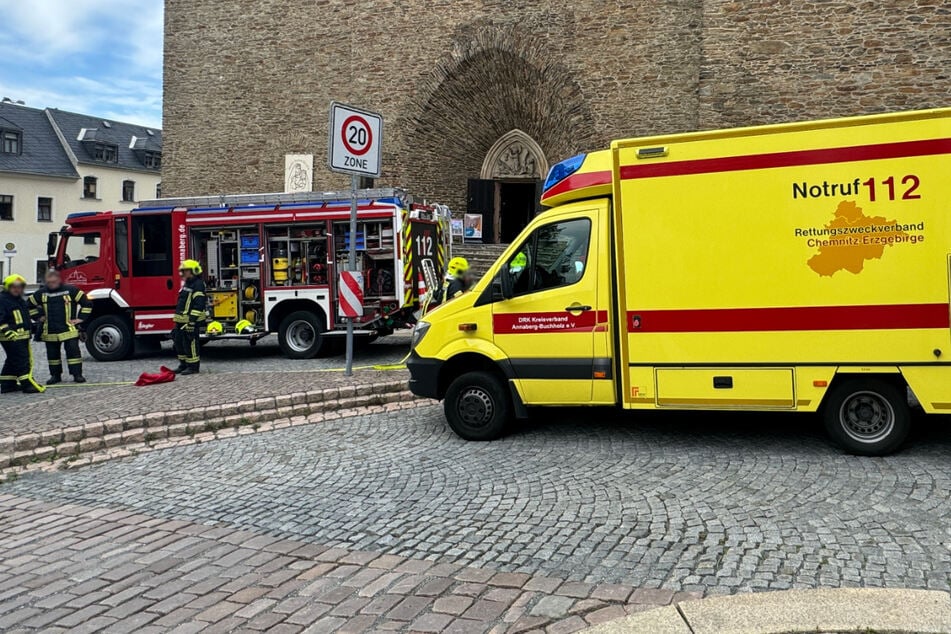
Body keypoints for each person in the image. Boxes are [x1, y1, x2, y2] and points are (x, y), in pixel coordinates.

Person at [28, 269, 92, 384]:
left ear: (59, 280)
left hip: (69, 329)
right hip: (50, 330)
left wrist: (81, 319)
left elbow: (87, 303)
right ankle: (55, 375)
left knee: (73, 353)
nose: (51, 284)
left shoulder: (71, 290)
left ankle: (77, 375)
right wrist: (38, 317)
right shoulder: (41, 293)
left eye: (53, 281)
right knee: (53, 356)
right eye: (49, 282)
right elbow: (28, 305)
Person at [0, 274, 45, 394]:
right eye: (13, 287)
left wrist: (38, 317)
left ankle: (7, 384)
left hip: (22, 336)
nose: (17, 289)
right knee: (22, 360)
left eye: (20, 287)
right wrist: (7, 331)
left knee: (12, 360)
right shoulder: (2, 300)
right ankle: (28, 385)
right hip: (11, 337)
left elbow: (27, 314)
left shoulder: (19, 300)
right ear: (7, 287)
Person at [172, 259, 207, 375]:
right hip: (181, 320)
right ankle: (183, 365)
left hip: (190, 320)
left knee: (190, 343)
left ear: (193, 271)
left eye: (185, 270)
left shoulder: (198, 284)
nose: (183, 273)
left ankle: (193, 367)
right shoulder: (188, 283)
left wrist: (192, 322)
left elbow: (198, 305)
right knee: (179, 342)